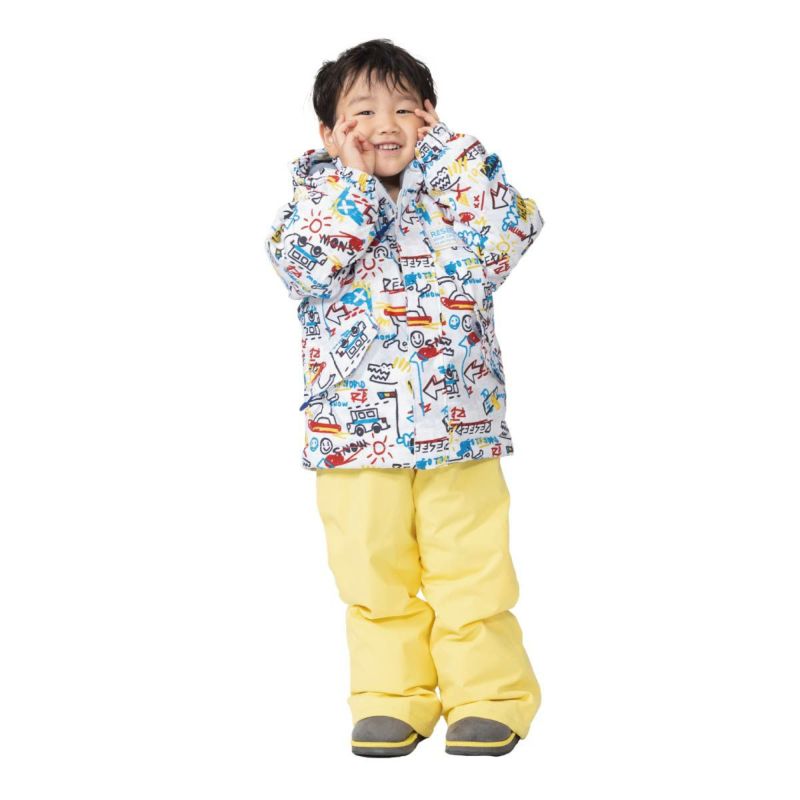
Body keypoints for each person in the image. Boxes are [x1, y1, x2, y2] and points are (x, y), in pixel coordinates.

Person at [265, 39, 546, 757]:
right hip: (352, 432)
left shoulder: (456, 194)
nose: (384, 124)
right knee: (371, 570)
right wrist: (354, 185)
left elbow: (513, 232)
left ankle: (488, 695)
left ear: (430, 118)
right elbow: (302, 269)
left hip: (460, 423)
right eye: (362, 111)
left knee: (471, 567)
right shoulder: (315, 203)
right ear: (328, 133)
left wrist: (449, 153)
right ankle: (390, 697)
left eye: (404, 109)